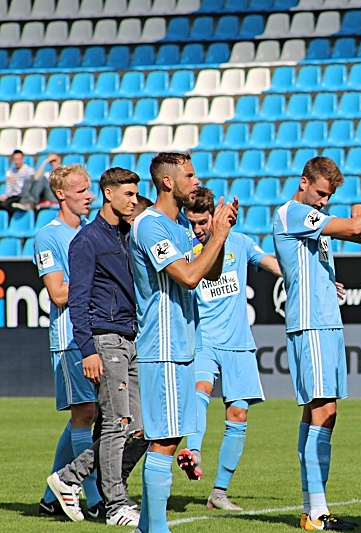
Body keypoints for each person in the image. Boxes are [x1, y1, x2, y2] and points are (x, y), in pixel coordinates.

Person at [129, 152, 237, 533]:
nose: (196, 181)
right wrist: (219, 234)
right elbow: (189, 276)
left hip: (183, 346)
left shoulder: (177, 226)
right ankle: (155, 528)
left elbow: (213, 271)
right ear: (167, 182)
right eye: (189, 175)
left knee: (170, 438)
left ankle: (149, 527)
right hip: (164, 347)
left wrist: (217, 236)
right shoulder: (150, 226)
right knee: (165, 440)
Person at [273, 156, 361, 530]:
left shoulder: (312, 219)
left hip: (326, 322)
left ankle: (313, 508)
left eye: (328, 196)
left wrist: (328, 285)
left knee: (320, 410)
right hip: (311, 325)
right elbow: (353, 228)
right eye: (321, 193)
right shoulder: (294, 213)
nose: (323, 201)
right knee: (324, 410)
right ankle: (316, 511)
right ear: (304, 182)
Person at [45, 168, 146, 527]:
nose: (134, 201)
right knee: (117, 425)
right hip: (105, 340)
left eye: (136, 195)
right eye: (129, 194)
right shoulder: (87, 241)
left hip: (130, 338)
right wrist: (88, 349)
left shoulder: (129, 234)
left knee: (141, 429)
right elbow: (79, 300)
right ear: (109, 194)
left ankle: (70, 477)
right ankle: (114, 503)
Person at [181, 187, 281, 511]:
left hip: (238, 342)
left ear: (214, 216)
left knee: (238, 415)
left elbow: (271, 263)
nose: (196, 229)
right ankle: (193, 453)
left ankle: (218, 494)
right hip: (204, 339)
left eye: (201, 223)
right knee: (200, 388)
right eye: (191, 223)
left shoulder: (239, 242)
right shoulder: (186, 249)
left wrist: (306, 277)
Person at [34, 164, 104, 520]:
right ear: (61, 194)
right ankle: (95, 500)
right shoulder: (49, 236)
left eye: (89, 189)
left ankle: (52, 495)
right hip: (70, 338)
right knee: (86, 414)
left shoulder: (90, 232)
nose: (88, 196)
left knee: (88, 413)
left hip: (94, 336)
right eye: (80, 191)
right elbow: (58, 294)